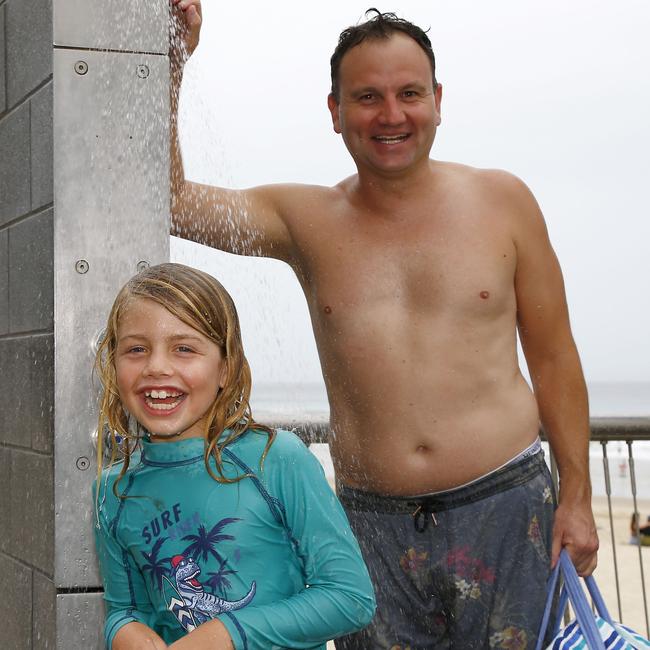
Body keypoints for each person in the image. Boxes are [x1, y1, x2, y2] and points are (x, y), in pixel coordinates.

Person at [169, 4, 599, 647]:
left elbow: (555, 357)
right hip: (368, 526)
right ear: (335, 110)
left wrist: (579, 497)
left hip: (508, 511)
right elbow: (172, 199)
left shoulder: (504, 202)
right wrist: (175, 58)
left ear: (438, 100)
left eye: (409, 94)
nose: (391, 115)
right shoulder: (305, 219)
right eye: (367, 97)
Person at [92, 263, 375, 650]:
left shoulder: (276, 460)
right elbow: (126, 608)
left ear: (225, 368)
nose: (156, 366)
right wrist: (127, 633)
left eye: (184, 349)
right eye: (136, 349)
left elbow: (350, 598)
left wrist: (227, 633)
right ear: (114, 363)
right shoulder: (113, 492)